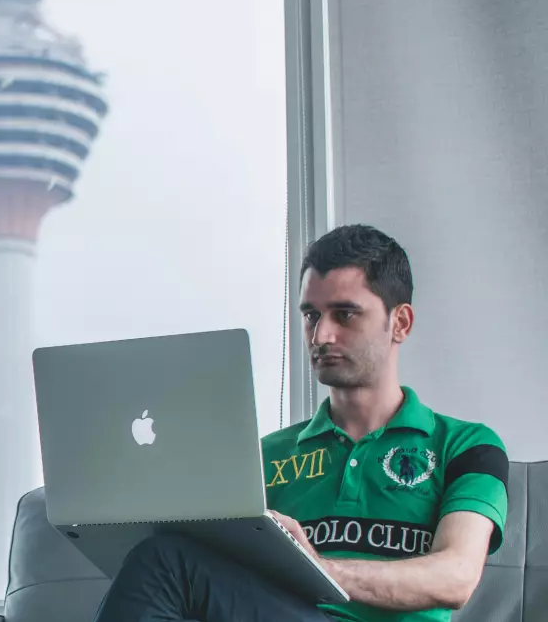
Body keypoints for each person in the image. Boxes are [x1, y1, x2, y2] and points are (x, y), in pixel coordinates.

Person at [93, 225, 509, 622]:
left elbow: (456, 576)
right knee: (163, 558)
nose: (321, 335)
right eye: (311, 315)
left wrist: (320, 568)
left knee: (165, 562)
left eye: (345, 315)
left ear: (399, 323)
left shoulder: (468, 446)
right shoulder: (261, 457)